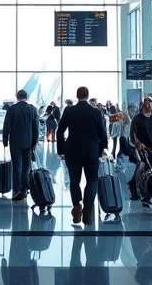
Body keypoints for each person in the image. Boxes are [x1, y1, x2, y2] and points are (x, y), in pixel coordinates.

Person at [57, 86, 108, 225]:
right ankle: (88, 211)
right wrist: (104, 148)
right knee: (92, 180)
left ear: (77, 95)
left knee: (74, 181)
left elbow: (60, 130)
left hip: (72, 151)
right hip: (91, 151)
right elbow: (102, 133)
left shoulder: (69, 110)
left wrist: (61, 150)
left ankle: (77, 206)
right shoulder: (95, 112)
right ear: (87, 95)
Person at [2, 89, 39, 201]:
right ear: (26, 97)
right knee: (26, 166)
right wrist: (35, 142)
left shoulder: (12, 109)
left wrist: (5, 140)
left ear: (17, 97)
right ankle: (25, 187)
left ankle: (17, 189)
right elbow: (35, 127)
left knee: (17, 166)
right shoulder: (32, 109)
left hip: (15, 141)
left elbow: (6, 126)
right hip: (28, 142)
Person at [128, 97, 152, 203]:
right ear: (143, 104)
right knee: (142, 167)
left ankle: (138, 187)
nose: (148, 104)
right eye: (146, 102)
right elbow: (132, 134)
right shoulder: (137, 118)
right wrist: (138, 143)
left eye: (150, 102)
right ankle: (142, 191)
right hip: (141, 149)